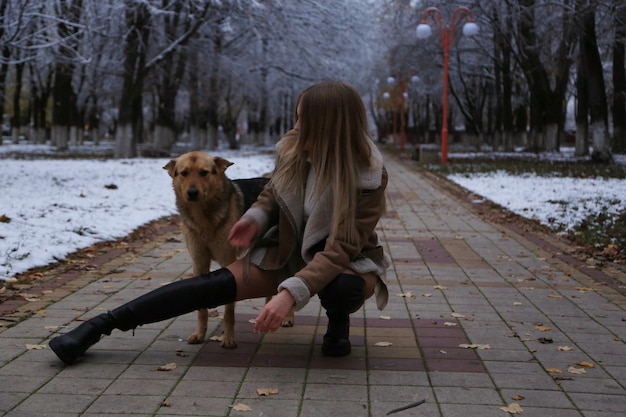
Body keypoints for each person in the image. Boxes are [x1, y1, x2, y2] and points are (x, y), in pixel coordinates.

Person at [49, 80, 390, 365]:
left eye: (304, 119)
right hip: (289, 251)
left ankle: (338, 320)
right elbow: (274, 194)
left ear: (329, 125)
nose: (296, 126)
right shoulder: (297, 152)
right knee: (209, 286)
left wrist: (289, 295)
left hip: (346, 263)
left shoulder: (367, 178)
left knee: (341, 287)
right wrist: (255, 220)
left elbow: (339, 250)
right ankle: (98, 327)